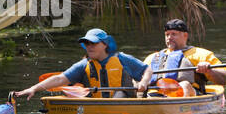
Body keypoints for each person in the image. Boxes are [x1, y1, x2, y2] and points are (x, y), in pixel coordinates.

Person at [13, 28, 147, 100]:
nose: (89, 46)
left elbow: (147, 70)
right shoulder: (83, 65)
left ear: (105, 44)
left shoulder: (123, 59)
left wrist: (144, 82)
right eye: (87, 43)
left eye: (93, 43)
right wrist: (34, 89)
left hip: (123, 104)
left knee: (120, 95)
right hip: (96, 107)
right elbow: (60, 79)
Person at [135, 19, 226, 97]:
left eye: (173, 34)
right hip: (155, 95)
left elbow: (225, 79)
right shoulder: (152, 57)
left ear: (185, 35)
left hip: (188, 94)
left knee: (184, 85)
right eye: (167, 35)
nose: (169, 38)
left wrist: (209, 70)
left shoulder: (201, 54)